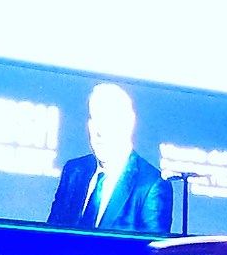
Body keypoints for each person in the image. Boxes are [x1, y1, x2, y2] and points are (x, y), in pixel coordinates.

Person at [46, 82, 172, 233]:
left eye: (108, 121)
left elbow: (152, 252)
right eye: (94, 119)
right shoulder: (74, 170)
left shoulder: (151, 184)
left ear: (129, 123)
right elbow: (51, 234)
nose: (99, 131)